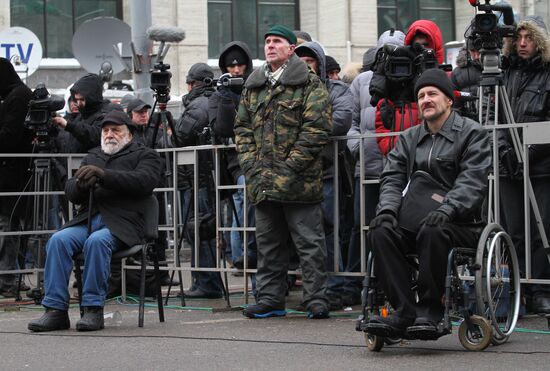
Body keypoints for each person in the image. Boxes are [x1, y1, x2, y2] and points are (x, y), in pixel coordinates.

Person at [365, 69, 491, 340]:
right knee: (380, 231)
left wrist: (448, 209)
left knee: (433, 231)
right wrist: (387, 210)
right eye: (421, 96)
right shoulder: (410, 137)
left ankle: (431, 310)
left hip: (461, 221)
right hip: (415, 216)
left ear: (449, 100)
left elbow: (473, 180)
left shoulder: (472, 133)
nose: (425, 100)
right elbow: (392, 178)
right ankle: (404, 310)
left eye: (433, 94)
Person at [27, 110, 162, 332]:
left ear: (129, 133)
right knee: (59, 240)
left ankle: (92, 308)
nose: (109, 135)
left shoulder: (145, 155)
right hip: (89, 218)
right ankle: (55, 310)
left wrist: (104, 176)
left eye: (116, 130)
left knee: (97, 242)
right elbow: (70, 191)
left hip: (124, 222)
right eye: (106, 130)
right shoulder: (93, 156)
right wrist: (80, 185)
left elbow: (144, 182)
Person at [235, 25, 332, 319]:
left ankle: (316, 299)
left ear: (291, 48)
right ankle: (270, 299)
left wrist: (289, 168)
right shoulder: (253, 86)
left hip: (299, 183)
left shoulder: (309, 84)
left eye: (277, 41)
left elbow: (316, 130)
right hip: (262, 181)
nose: (270, 46)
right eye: (267, 42)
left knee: (309, 244)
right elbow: (241, 129)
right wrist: (251, 165)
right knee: (268, 244)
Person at [344, 29, 406, 308]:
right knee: (362, 226)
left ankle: (392, 281)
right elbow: (352, 123)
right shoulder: (361, 82)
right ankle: (358, 281)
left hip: (401, 172)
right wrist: (358, 147)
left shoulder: (409, 77)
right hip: (366, 169)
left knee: (396, 227)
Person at [295, 41, 353, 310]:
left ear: (319, 63)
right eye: (300, 61)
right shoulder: (289, 92)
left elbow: (341, 121)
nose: (305, 66)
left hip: (329, 171)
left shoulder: (336, 89)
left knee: (331, 231)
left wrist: (305, 126)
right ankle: (315, 289)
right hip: (299, 172)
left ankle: (335, 287)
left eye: (310, 61)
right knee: (307, 235)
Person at [499, 16, 550, 314]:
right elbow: (495, 119)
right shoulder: (506, 72)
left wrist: (528, 152)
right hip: (508, 165)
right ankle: (518, 289)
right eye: (518, 37)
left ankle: (541, 288)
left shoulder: (547, 73)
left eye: (528, 37)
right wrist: (508, 150)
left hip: (541, 166)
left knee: (541, 230)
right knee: (514, 230)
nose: (521, 43)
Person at [173, 62, 224, 299]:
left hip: (197, 179)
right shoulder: (211, 101)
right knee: (201, 230)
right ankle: (203, 280)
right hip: (202, 177)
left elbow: (180, 135)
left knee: (199, 231)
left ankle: (208, 282)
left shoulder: (199, 104)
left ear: (194, 84)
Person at [208, 41, 257, 272]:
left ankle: (249, 256)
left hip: (260, 158)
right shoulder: (219, 94)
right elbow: (222, 128)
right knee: (240, 207)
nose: (236, 70)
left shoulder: (257, 87)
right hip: (237, 163)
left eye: (240, 66)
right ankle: (241, 257)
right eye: (231, 67)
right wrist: (227, 97)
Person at [371, 21, 444, 156]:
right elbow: (382, 123)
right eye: (416, 45)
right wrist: (395, 148)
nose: (420, 50)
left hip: (434, 157)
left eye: (425, 45)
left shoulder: (445, 80)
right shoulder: (395, 81)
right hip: (399, 158)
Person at [0, 58, 33, 297]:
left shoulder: (18, 96)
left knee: (8, 227)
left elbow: (9, 137)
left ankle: (7, 281)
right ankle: (9, 278)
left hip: (13, 176)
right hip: (11, 174)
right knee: (9, 228)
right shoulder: (14, 95)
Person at [52, 74, 106, 153]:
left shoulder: (104, 116)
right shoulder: (80, 117)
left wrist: (68, 125)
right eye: (76, 100)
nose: (78, 104)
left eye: (82, 99)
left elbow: (92, 135)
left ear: (92, 98)